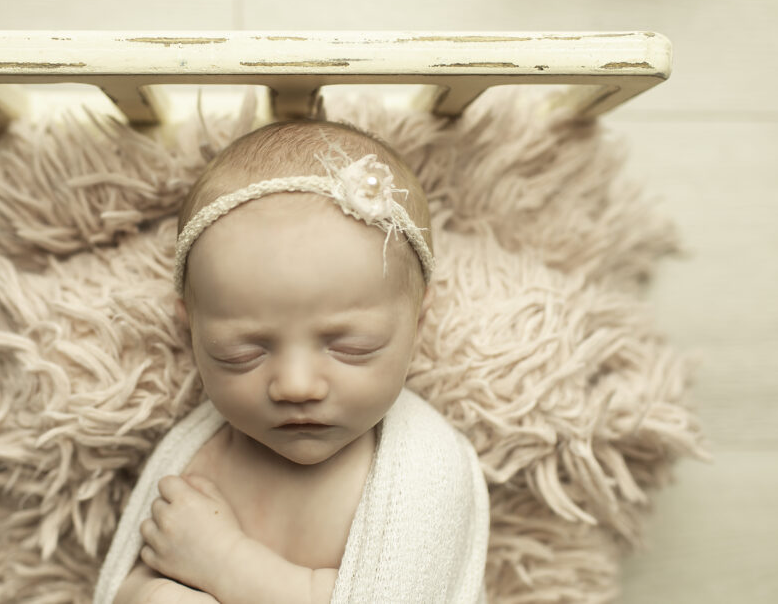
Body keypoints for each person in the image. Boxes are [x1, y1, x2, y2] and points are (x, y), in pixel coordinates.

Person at [95, 119, 488, 604]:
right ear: (190, 331)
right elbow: (124, 585)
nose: (296, 385)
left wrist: (225, 563)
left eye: (352, 347)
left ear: (418, 324)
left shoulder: (425, 466)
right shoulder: (199, 456)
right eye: (241, 353)